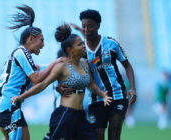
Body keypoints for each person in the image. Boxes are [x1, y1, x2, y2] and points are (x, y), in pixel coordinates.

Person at [12, 23, 113, 140]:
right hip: (65, 115)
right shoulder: (61, 67)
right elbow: (43, 84)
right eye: (80, 44)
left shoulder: (85, 63)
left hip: (81, 116)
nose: (83, 46)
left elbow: (90, 84)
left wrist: (103, 94)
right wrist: (21, 97)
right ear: (70, 50)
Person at [58, 9, 137, 140]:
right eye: (83, 26)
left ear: (98, 26)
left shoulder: (111, 44)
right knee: (97, 136)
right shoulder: (81, 50)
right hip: (95, 99)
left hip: (117, 95)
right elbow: (66, 67)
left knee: (114, 136)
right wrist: (59, 85)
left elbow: (128, 66)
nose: (86, 29)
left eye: (90, 26)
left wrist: (133, 88)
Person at [0, 5, 64, 140]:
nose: (43, 44)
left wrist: (60, 64)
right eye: (41, 40)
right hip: (7, 107)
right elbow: (37, 78)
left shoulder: (21, 54)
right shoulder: (21, 52)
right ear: (31, 39)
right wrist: (56, 62)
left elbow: (40, 69)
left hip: (3, 106)